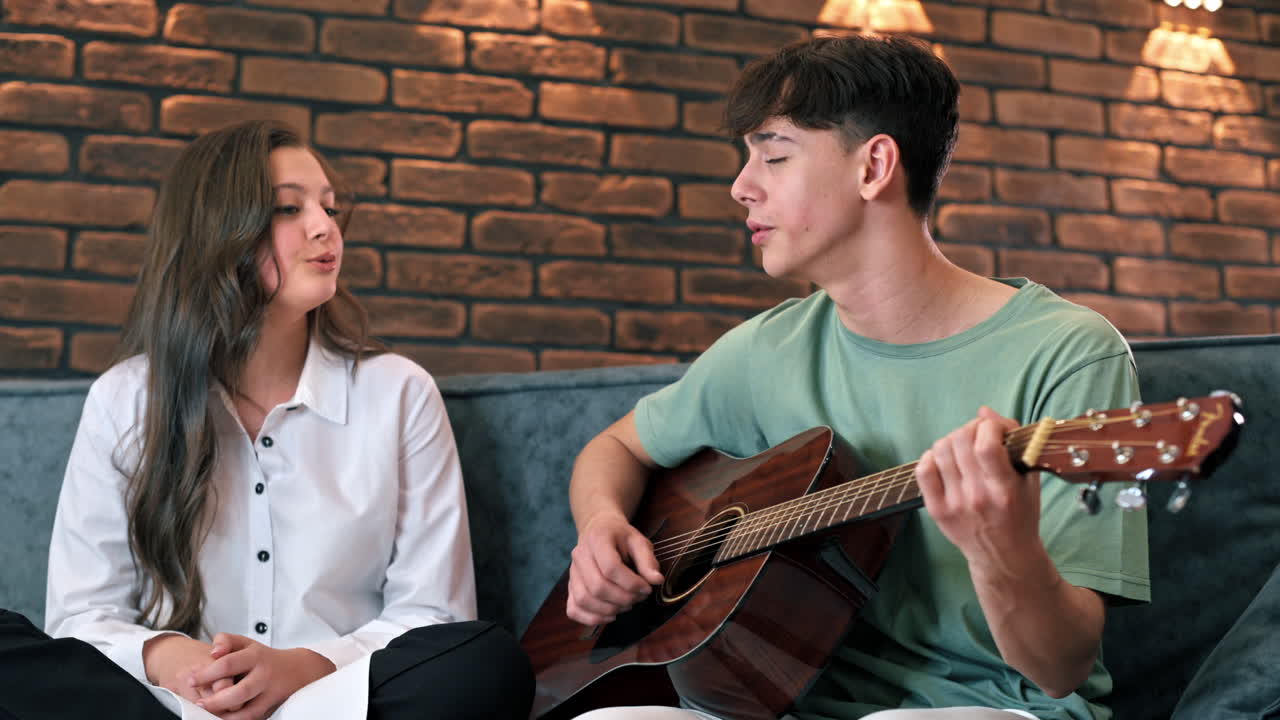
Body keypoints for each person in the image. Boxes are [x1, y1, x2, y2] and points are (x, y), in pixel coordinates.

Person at [562, 34, 1148, 720]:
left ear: (874, 167)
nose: (741, 186)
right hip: (778, 700)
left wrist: (1002, 544)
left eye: (774, 156)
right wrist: (600, 527)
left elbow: (1061, 668)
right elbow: (616, 448)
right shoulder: (765, 349)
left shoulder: (1068, 352)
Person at [0, 120, 532, 720]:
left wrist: (299, 669)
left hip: (336, 703)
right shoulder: (125, 399)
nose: (324, 227)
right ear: (216, 232)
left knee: (486, 661)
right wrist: (177, 660)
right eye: (288, 208)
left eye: (329, 208)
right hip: (171, 707)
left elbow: (435, 617)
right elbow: (80, 619)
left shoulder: (399, 393)